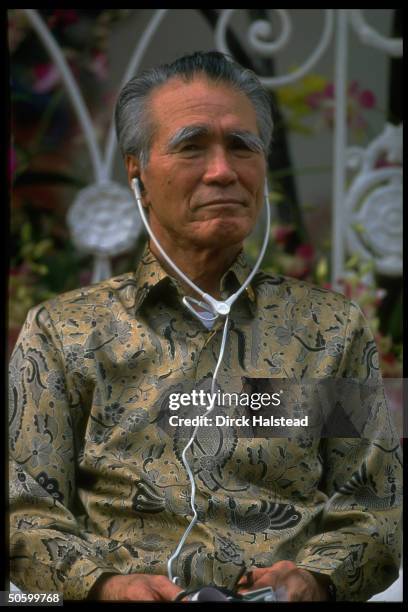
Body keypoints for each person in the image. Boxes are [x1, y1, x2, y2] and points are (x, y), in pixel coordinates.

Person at [9, 51, 402, 602]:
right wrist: (106, 588)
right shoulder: (65, 334)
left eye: (242, 146)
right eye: (192, 145)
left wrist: (315, 579)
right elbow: (26, 513)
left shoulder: (329, 331)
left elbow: (372, 508)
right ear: (137, 171)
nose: (223, 170)